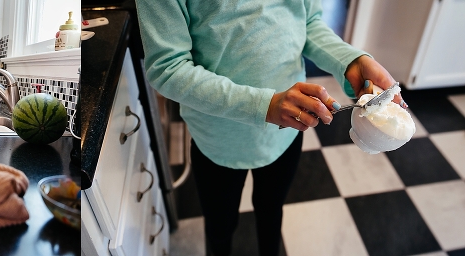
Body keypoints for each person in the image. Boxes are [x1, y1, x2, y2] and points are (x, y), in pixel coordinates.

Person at [134, 0, 406, 255]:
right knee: (220, 227)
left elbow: (308, 21)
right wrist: (264, 104)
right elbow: (167, 67)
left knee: (271, 212)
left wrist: (350, 60)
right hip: (218, 137)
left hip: (286, 133)